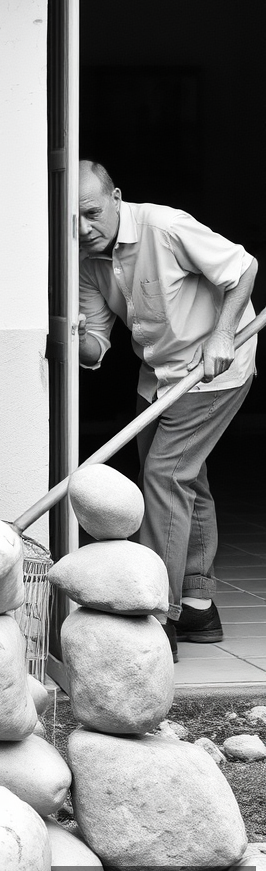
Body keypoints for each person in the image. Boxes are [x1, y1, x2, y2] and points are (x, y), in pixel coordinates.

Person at [77, 160, 258, 657]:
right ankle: (200, 606)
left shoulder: (166, 226)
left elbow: (243, 266)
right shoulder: (88, 261)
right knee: (185, 479)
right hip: (157, 376)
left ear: (116, 198)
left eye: (92, 212)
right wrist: (71, 339)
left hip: (214, 370)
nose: (84, 228)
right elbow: (96, 343)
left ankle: (158, 614)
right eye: (74, 219)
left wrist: (222, 332)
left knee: (164, 475)